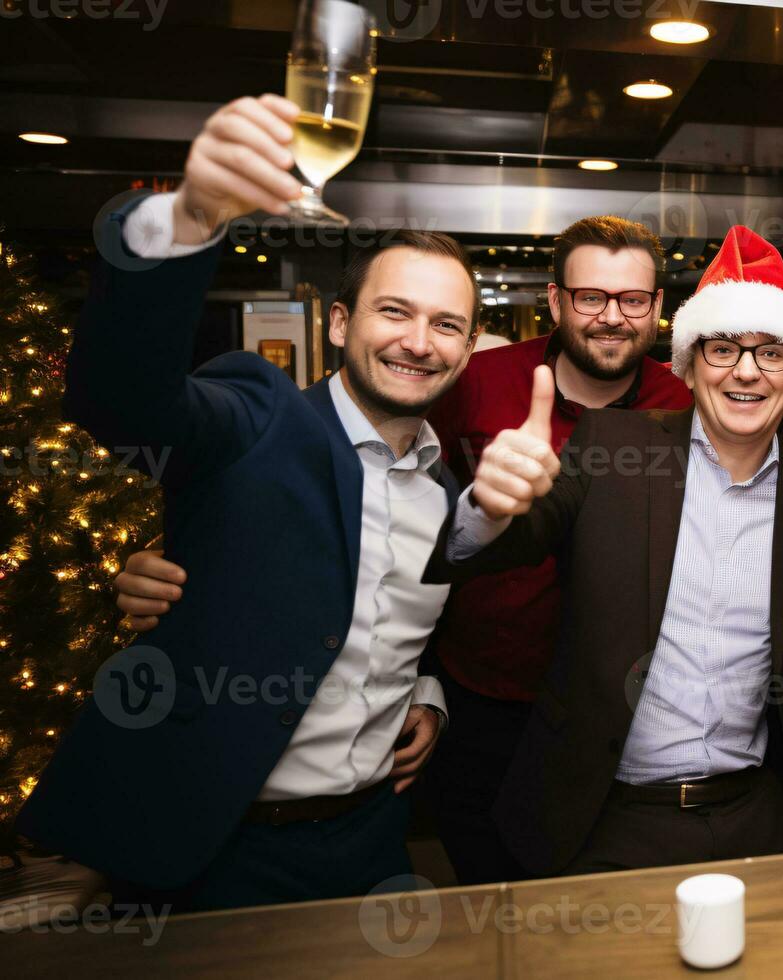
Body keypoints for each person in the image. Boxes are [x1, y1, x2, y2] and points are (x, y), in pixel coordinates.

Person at [116, 214, 696, 886]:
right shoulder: (459, 386)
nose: (611, 317)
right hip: (476, 703)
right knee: (487, 894)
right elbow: (153, 415)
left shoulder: (684, 405)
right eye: (591, 296)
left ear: (657, 307)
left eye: (633, 299)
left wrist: (420, 687)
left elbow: (398, 556)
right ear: (558, 300)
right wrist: (183, 546)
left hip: (605, 714)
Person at [17, 95, 468, 910]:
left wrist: (426, 695)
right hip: (212, 846)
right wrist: (185, 222)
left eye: (448, 324)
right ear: (339, 324)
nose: (419, 341)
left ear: (468, 348)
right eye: (394, 311)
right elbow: (123, 400)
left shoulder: (446, 488)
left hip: (371, 840)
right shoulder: (256, 414)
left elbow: (389, 622)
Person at [426, 225, 783, 875]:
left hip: (758, 812)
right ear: (689, 367)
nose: (746, 371)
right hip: (608, 817)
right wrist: (489, 504)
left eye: (773, 353)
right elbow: (486, 552)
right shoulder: (612, 446)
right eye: (722, 348)